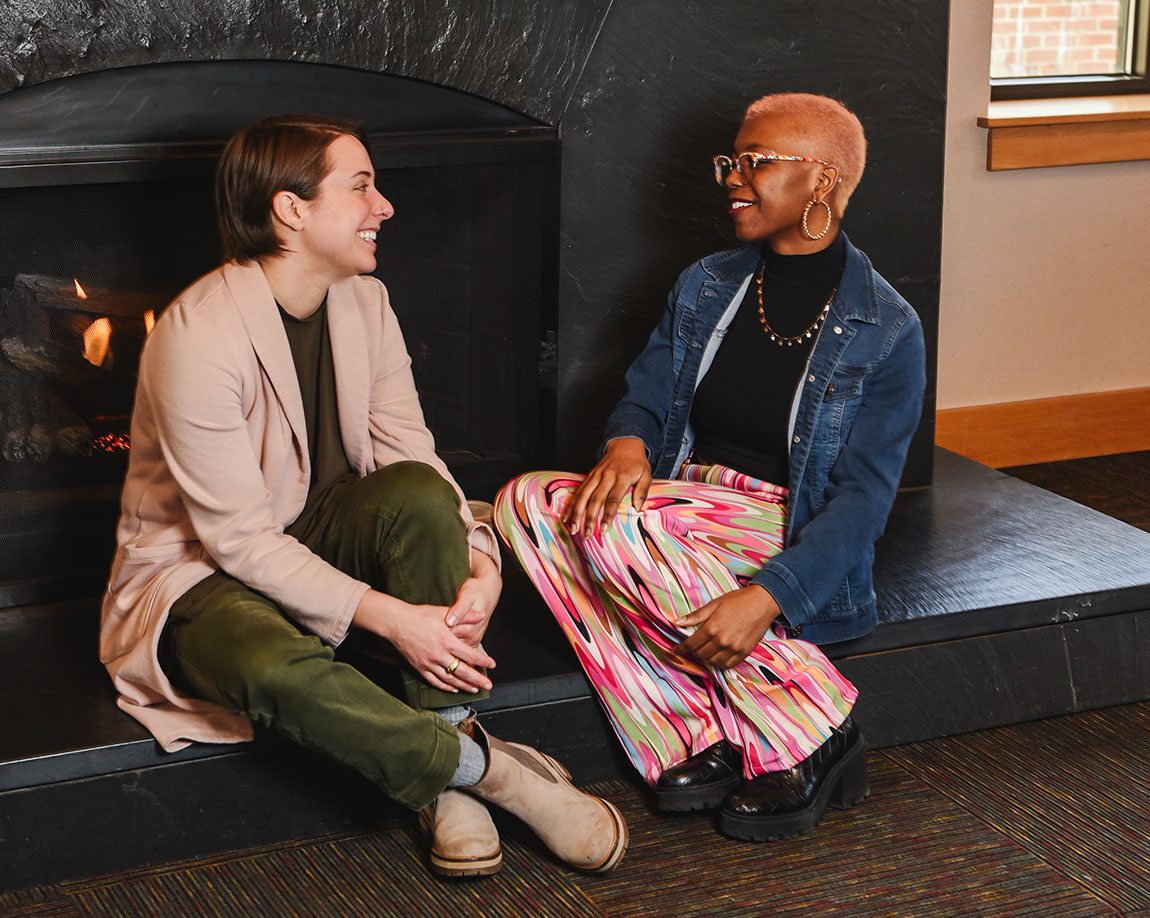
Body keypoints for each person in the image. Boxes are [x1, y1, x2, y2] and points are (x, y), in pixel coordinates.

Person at [99, 114, 626, 879]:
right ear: (291, 209)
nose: (384, 206)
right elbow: (239, 542)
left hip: (313, 532)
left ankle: (442, 750)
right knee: (265, 663)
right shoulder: (198, 333)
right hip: (198, 575)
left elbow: (415, 459)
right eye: (361, 186)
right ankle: (486, 772)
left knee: (413, 491)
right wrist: (390, 619)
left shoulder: (365, 303)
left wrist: (482, 559)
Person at [495, 93, 925, 842]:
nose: (732, 177)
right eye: (732, 160)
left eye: (756, 162)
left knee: (610, 533)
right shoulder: (708, 284)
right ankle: (754, 726)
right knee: (525, 501)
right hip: (679, 510)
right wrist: (628, 441)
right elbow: (646, 399)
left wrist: (767, 598)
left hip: (785, 529)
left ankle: (780, 730)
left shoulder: (887, 330)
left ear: (822, 180)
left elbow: (862, 499)